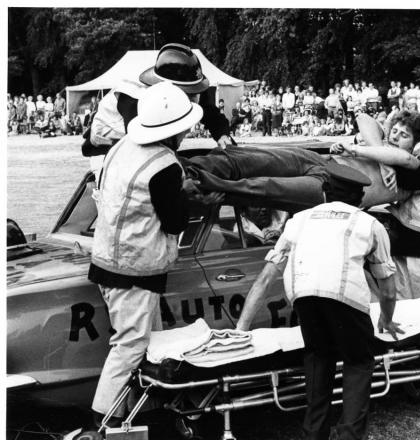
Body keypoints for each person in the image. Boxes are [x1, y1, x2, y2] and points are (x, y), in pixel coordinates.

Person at [236, 162, 402, 440]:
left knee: (319, 357)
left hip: (304, 296)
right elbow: (387, 288)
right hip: (345, 297)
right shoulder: (369, 224)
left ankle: (313, 433)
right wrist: (386, 318)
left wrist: (241, 329)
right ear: (360, 199)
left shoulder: (298, 220)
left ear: (324, 193)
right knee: (359, 360)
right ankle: (349, 434)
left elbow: (265, 279)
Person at [87, 82, 217, 430]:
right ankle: (105, 423)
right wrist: (191, 199)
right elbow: (174, 221)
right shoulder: (165, 165)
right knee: (130, 345)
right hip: (135, 267)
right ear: (177, 128)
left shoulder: (120, 147)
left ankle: (147, 417)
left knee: (149, 343)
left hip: (109, 259)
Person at [330, 84, 420, 299]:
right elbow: (364, 120)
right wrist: (384, 160)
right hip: (408, 239)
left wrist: (382, 155)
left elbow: (412, 179)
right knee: (403, 312)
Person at [82, 43, 233, 177]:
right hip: (107, 147)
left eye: (195, 91)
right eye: (189, 94)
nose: (194, 97)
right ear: (169, 88)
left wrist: (223, 135)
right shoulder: (136, 99)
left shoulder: (190, 85)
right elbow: (145, 148)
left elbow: (208, 110)